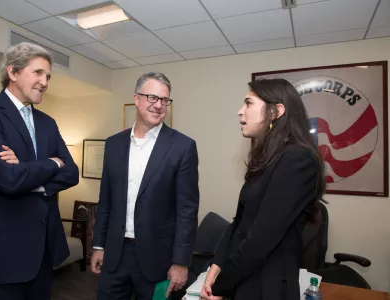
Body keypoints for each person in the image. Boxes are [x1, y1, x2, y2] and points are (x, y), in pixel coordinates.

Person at [0, 42, 79, 300]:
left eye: (48, 76)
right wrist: (53, 163)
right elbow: (9, 179)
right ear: (13, 72)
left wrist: (29, 174)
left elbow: (72, 172)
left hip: (41, 254)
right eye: (38, 73)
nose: (45, 82)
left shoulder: (47, 123)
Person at [200, 78, 325, 300]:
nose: (240, 112)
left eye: (248, 103)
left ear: (275, 111)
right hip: (243, 277)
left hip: (267, 285)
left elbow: (260, 239)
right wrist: (216, 265)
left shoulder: (298, 159)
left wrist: (221, 286)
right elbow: (239, 223)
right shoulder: (267, 157)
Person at [91, 72, 200, 300]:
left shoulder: (182, 147)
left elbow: (186, 211)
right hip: (115, 256)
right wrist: (99, 245)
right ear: (136, 99)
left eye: (164, 100)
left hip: (157, 261)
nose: (159, 105)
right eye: (152, 97)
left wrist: (181, 262)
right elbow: (105, 202)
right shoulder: (113, 144)